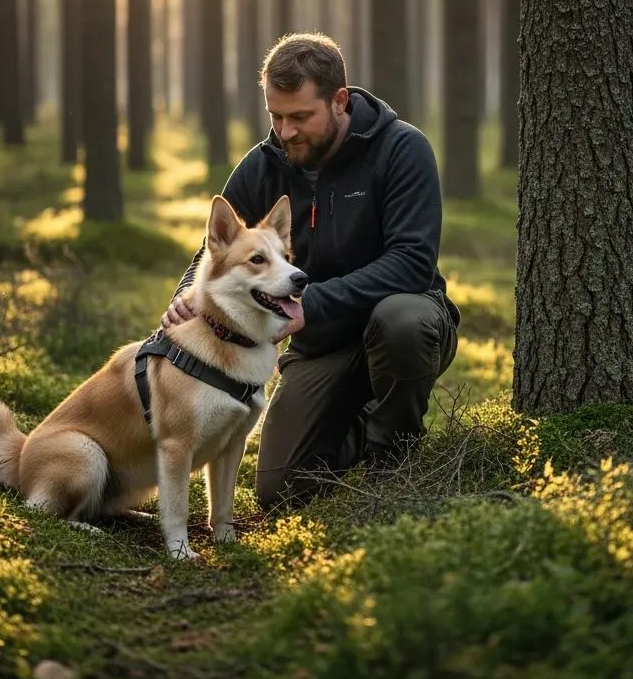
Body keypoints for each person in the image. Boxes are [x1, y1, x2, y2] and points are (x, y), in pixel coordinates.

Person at [161, 32, 460, 511]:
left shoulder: (402, 149)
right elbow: (216, 249)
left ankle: (394, 460)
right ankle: (367, 422)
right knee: (281, 491)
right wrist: (188, 296)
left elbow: (411, 263)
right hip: (321, 341)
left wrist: (308, 306)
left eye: (300, 117)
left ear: (339, 101)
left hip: (406, 323)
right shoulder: (263, 167)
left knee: (401, 321)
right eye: (275, 116)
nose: (286, 131)